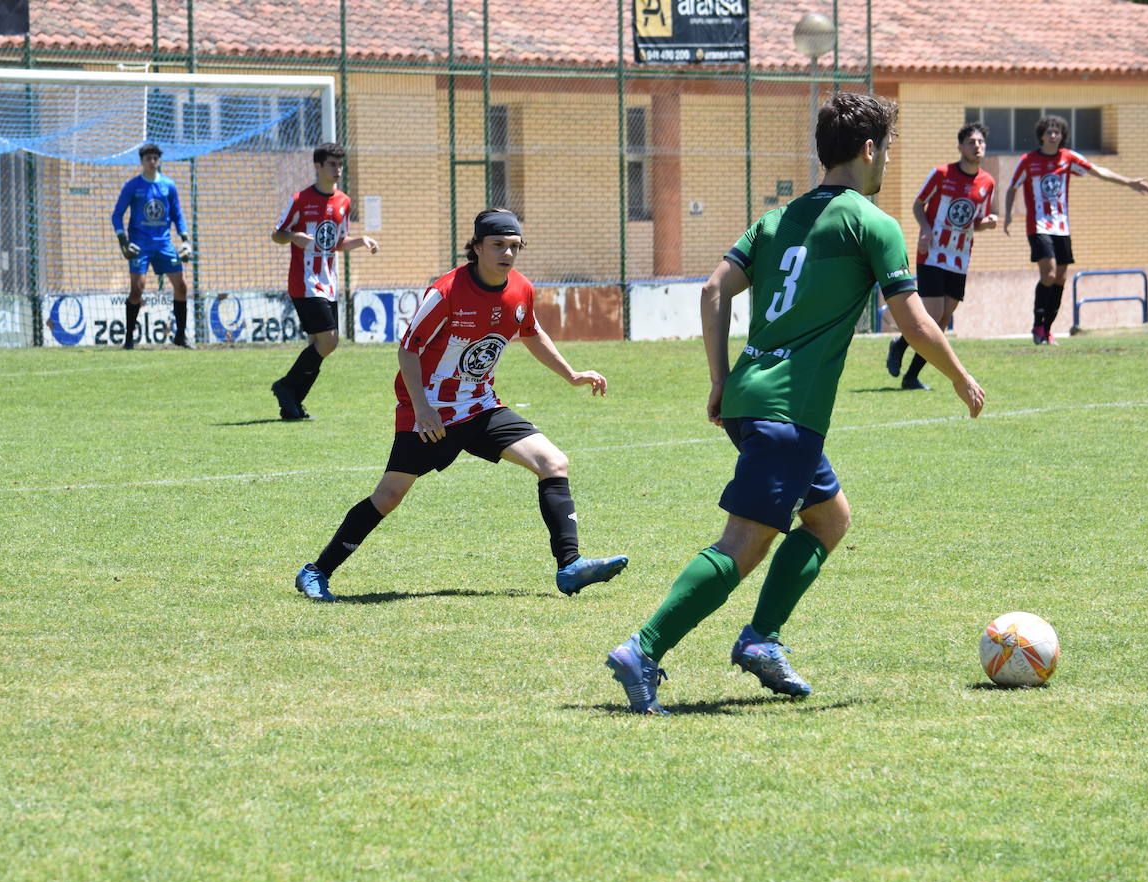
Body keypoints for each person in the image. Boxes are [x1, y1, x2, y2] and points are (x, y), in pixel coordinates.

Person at [605, 93, 986, 715]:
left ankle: (761, 640)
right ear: (869, 150)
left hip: (751, 397)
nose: (886, 159)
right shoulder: (872, 222)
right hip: (787, 413)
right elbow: (915, 324)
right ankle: (642, 649)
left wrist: (720, 378)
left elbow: (712, 289)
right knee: (744, 545)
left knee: (830, 519)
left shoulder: (776, 220)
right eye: (886, 148)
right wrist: (959, 376)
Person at [294, 208, 629, 601]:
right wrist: (422, 408)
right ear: (476, 247)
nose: (508, 253)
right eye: (498, 245)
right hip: (430, 411)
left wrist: (572, 374)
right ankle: (316, 571)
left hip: (481, 406)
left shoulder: (520, 288)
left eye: (515, 246)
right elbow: (408, 350)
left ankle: (569, 567)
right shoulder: (446, 292)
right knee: (388, 496)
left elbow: (531, 331)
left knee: (553, 462)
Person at [1003, 115, 1148, 345]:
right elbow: (1012, 187)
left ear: (1062, 135)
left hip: (1062, 226)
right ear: (1041, 135)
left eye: (1057, 132)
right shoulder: (1028, 160)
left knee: (1060, 278)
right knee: (1049, 273)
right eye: (1049, 132)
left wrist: (1129, 182)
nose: (1053, 135)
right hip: (1038, 225)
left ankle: (1048, 329)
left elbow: (1098, 171)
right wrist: (1009, 215)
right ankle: (1037, 325)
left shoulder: (1068, 158)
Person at [269, 142, 379, 421]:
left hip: (328, 282)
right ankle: (286, 387)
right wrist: (293, 237)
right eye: (332, 164)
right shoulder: (300, 199)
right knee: (329, 341)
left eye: (340, 164)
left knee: (323, 344)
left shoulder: (343, 202)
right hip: (304, 282)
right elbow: (277, 234)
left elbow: (338, 242)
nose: (338, 169)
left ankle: (291, 401)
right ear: (317, 166)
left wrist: (362, 240)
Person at [886, 122, 998, 389]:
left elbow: (975, 222)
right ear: (960, 146)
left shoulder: (987, 182)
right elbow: (918, 204)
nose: (977, 146)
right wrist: (925, 229)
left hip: (960, 257)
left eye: (981, 142)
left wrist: (988, 223)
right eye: (971, 142)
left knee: (944, 320)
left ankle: (910, 374)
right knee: (933, 314)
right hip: (933, 253)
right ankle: (900, 346)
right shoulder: (941, 173)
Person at [110, 142, 192, 350]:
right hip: (140, 245)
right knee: (137, 290)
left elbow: (177, 214)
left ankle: (180, 336)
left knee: (181, 286)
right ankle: (128, 339)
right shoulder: (133, 186)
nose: (153, 161)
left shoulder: (168, 185)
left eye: (156, 158)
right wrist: (123, 241)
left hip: (164, 244)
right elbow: (116, 215)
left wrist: (185, 240)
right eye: (149, 158)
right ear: (142, 162)